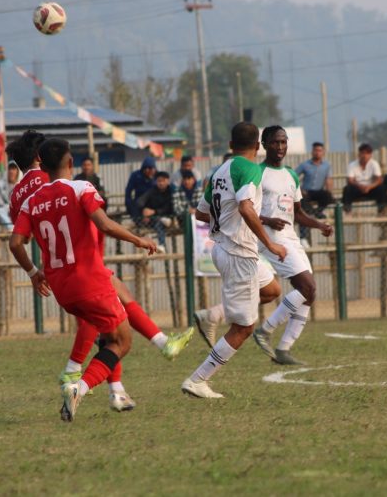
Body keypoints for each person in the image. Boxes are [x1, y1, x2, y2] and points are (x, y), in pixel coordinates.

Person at [6, 130, 193, 412]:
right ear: (42, 158)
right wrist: (138, 239)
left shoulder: (19, 194)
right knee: (118, 332)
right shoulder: (56, 182)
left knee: (116, 309)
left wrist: (34, 272)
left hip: (58, 272)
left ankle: (123, 383)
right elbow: (98, 219)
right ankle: (75, 373)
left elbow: (20, 237)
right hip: (84, 260)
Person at [181, 122, 287, 399]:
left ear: (231, 146)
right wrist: (270, 243)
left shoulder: (220, 171)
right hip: (239, 253)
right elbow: (245, 207)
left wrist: (226, 219)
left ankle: (212, 315)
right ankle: (198, 380)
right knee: (244, 327)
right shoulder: (250, 169)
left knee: (272, 290)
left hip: (225, 249)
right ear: (259, 146)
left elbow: (201, 214)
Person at [251, 126, 334, 365]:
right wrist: (267, 220)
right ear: (264, 144)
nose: (280, 147)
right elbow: (246, 210)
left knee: (309, 293)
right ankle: (265, 330)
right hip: (270, 238)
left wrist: (319, 225)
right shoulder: (257, 173)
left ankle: (284, 349)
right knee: (307, 286)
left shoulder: (291, 174)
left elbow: (297, 213)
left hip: (290, 237)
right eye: (275, 142)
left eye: (283, 142)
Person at [296, 142, 334, 245]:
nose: (317, 152)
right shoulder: (305, 165)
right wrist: (299, 189)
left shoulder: (327, 165)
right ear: (312, 151)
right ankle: (304, 236)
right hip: (306, 192)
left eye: (319, 150)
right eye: (315, 150)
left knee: (328, 196)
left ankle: (317, 212)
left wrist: (329, 192)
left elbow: (329, 180)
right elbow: (294, 177)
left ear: (323, 152)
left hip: (318, 191)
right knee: (303, 205)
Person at [342, 143, 386, 214]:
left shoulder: (374, 164)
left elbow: (379, 179)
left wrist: (369, 187)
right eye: (362, 153)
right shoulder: (352, 165)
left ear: (371, 155)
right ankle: (348, 212)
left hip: (371, 189)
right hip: (357, 189)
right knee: (347, 189)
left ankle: (381, 211)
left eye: (367, 153)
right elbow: (350, 180)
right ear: (359, 154)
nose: (364, 155)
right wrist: (360, 186)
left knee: (382, 188)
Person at [136, 171, 174, 249]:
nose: (161, 183)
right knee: (158, 222)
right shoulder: (152, 191)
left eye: (163, 181)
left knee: (158, 222)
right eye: (159, 181)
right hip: (155, 219)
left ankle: (162, 245)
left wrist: (154, 211)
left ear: (168, 181)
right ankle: (162, 245)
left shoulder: (171, 191)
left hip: (169, 216)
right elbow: (140, 201)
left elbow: (169, 207)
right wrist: (144, 211)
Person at [0, 161, 21, 228]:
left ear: (18, 171)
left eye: (14, 169)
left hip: (19, 209)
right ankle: (11, 229)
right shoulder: (0, 184)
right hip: (6, 208)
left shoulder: (22, 184)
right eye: (10, 169)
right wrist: (9, 208)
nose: (11, 171)